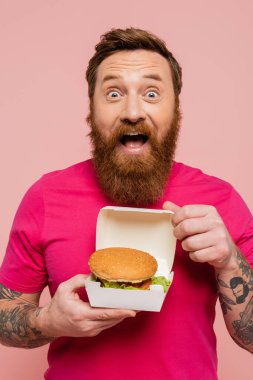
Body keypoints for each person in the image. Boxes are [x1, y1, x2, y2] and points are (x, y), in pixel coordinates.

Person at [0, 27, 252, 380]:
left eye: (151, 93)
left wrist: (229, 262)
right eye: (113, 93)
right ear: (91, 108)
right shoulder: (45, 197)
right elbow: (4, 316)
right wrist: (48, 321)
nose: (132, 111)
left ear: (176, 108)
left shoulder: (220, 201)